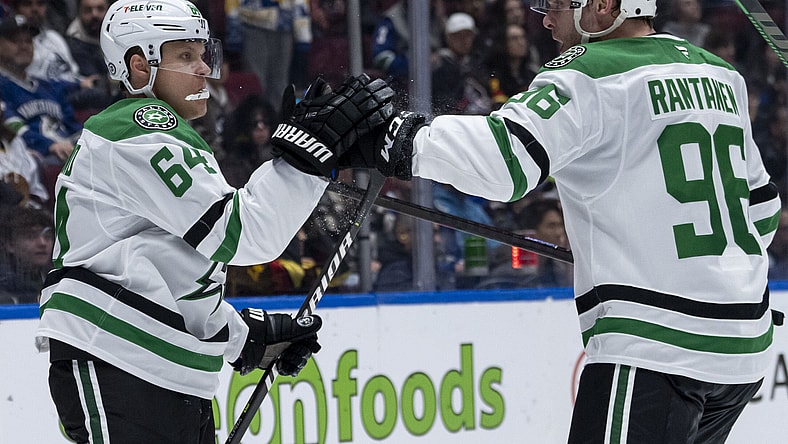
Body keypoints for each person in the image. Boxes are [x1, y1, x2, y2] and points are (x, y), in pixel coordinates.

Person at [340, 0, 784, 439]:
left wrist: (392, 136)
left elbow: (504, 160)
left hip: (657, 346)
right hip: (744, 346)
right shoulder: (721, 75)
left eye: (556, 5)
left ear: (607, 6)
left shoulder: (589, 73)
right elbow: (761, 212)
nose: (547, 20)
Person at [34, 0, 394, 442]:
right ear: (140, 67)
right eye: (185, 56)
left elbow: (177, 271)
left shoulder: (166, 138)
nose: (204, 68)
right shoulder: (135, 130)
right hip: (116, 360)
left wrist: (243, 338)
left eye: (204, 54)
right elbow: (243, 233)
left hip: (169, 374)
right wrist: (308, 156)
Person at [0, 14, 80, 163]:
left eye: (28, 41)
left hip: (67, 149)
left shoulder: (46, 86)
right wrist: (49, 145)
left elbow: (72, 124)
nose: (24, 46)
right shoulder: (2, 87)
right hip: (34, 158)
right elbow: (12, 126)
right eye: (15, 41)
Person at [65, 0, 116, 114]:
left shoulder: (119, 29)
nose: (95, 15)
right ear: (78, 13)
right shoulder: (74, 43)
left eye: (100, 9)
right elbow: (96, 83)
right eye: (88, 10)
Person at [0, 205, 54, 304]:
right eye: (31, 236)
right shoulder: (4, 283)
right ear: (10, 244)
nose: (42, 243)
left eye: (47, 236)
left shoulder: (55, 277)